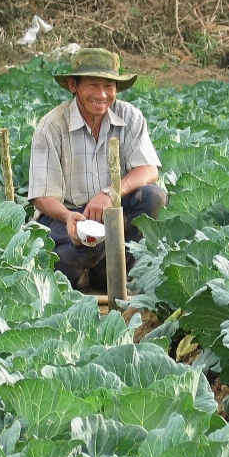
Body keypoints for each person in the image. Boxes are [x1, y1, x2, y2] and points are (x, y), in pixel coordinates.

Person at [28, 47, 167, 290]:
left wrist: (110, 194)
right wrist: (69, 216)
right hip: (64, 218)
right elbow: (42, 196)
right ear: (74, 85)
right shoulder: (52, 126)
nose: (101, 94)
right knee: (78, 252)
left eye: (109, 86)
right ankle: (78, 268)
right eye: (92, 85)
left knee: (153, 196)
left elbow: (148, 169)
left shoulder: (130, 117)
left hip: (111, 214)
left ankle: (113, 271)